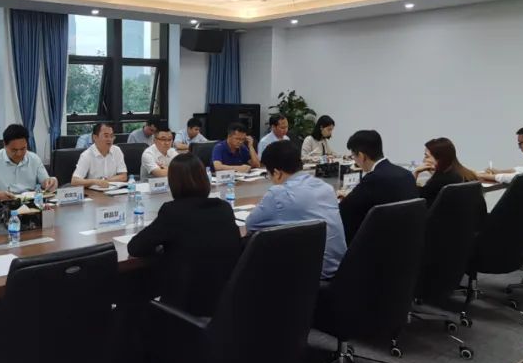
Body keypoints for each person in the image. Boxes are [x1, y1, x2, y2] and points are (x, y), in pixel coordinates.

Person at [128, 154, 242, 315]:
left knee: (132, 300)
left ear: (173, 183)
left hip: (185, 308)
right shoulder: (224, 207)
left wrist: (161, 247)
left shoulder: (173, 211)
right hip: (224, 304)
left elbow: (135, 247)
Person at [245, 140, 347, 279]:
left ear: (277, 173)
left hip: (312, 277)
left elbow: (251, 225)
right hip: (340, 271)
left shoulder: (278, 194)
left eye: (268, 175)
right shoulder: (326, 188)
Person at [337, 130, 418, 243]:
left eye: (353, 156)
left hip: (378, 243)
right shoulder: (406, 174)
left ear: (362, 156)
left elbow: (344, 211)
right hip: (408, 240)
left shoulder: (373, 179)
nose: (354, 160)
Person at [0, 124, 58, 201]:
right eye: (14, 150)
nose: (19, 154)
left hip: (30, 204)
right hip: (4, 203)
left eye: (23, 149)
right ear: (5, 145)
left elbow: (45, 182)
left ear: (27, 144)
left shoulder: (34, 158)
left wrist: (50, 182)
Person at [414, 137, 478, 205]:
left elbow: (415, 198)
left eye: (427, 156)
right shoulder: (468, 174)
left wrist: (415, 173)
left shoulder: (440, 180)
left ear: (439, 158)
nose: (424, 160)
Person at [71, 122, 128, 187]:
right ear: (95, 137)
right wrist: (95, 182)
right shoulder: (86, 155)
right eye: (106, 136)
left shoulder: (117, 150)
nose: (110, 139)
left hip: (113, 190)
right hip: (94, 191)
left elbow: (123, 176)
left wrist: (105, 181)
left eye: (112, 136)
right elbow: (75, 181)